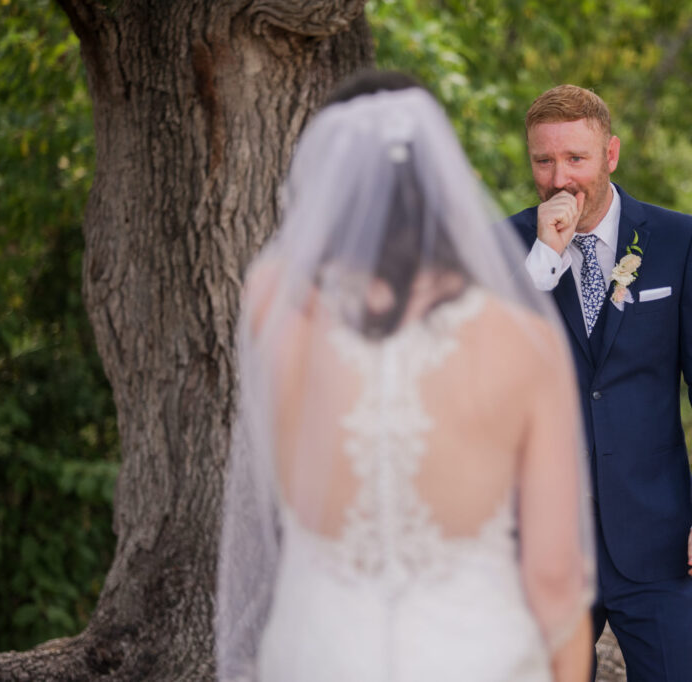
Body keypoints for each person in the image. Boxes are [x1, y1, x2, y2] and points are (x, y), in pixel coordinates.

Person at [215, 71, 595, 682]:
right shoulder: (521, 341)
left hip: (316, 655)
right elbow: (553, 579)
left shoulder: (272, 307)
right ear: (443, 183)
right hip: (475, 658)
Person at [509, 85, 692, 681]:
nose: (559, 177)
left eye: (576, 159)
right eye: (544, 160)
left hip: (658, 535)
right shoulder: (505, 250)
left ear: (610, 154)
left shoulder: (677, 240)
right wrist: (542, 262)